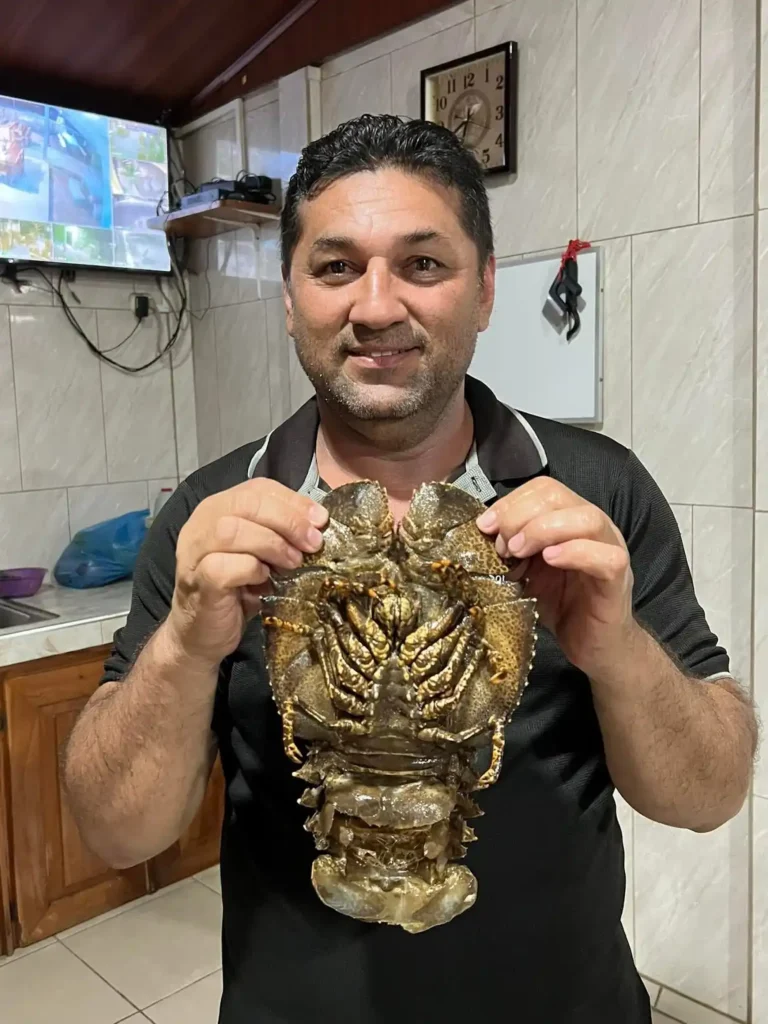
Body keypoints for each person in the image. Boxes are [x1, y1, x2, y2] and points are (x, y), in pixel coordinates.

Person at [63, 114, 758, 1024]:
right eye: (336, 265)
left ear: (484, 291)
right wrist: (187, 646)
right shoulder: (213, 516)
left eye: (423, 264)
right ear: (288, 295)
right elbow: (116, 832)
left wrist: (618, 647)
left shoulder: (596, 495)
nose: (377, 304)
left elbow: (709, 795)